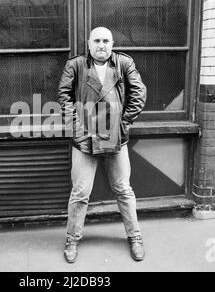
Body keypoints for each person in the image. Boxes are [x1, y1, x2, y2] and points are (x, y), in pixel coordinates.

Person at [57, 27, 147, 263]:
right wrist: (77, 129)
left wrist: (122, 124)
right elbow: (64, 97)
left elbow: (139, 94)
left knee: (124, 190)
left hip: (116, 138)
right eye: (97, 40)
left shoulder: (123, 63)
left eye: (106, 41)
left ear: (112, 43)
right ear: (89, 44)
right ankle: (72, 239)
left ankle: (135, 237)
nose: (102, 45)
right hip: (85, 139)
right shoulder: (75, 65)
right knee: (80, 193)